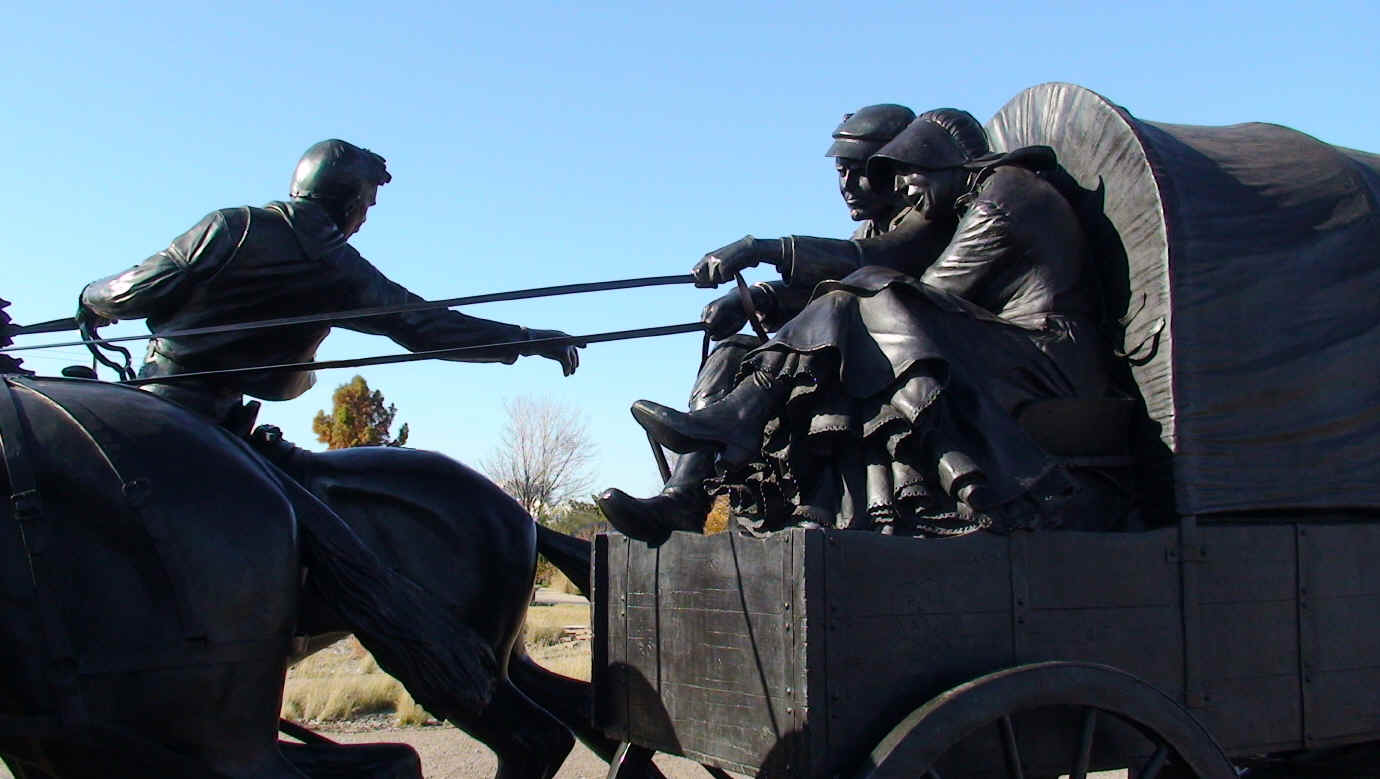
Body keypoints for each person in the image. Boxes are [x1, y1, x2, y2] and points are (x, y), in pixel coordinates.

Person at [628, 109, 1121, 536]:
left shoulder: (1003, 198)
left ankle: (741, 414)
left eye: (909, 174)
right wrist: (765, 299)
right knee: (735, 350)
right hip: (1008, 348)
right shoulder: (971, 197)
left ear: (944, 164)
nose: (903, 189)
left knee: (874, 290)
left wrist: (766, 256)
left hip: (1047, 354)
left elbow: (920, 292)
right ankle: (687, 493)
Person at [79, 139, 581, 425]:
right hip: (212, 418)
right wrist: (528, 340)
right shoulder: (339, 270)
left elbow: (133, 290)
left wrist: (90, 298)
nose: (364, 219)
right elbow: (425, 327)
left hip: (161, 399)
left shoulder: (231, 225)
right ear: (344, 200)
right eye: (365, 205)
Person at [596, 103, 915, 544]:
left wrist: (759, 248)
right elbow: (826, 286)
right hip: (855, 355)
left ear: (897, 169)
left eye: (859, 171)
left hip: (904, 360)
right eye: (841, 171)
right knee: (730, 353)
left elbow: (861, 269)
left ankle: (736, 425)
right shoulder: (869, 233)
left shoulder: (926, 224)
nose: (847, 186)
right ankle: (684, 496)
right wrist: (755, 299)